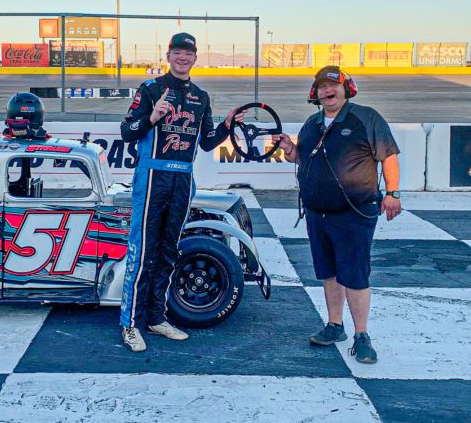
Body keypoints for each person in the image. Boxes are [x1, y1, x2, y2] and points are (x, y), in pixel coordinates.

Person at [119, 32, 245, 352]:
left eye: (188, 53)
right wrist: (152, 117)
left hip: (183, 180)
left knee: (168, 252)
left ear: (195, 58)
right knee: (142, 251)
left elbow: (206, 142)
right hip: (152, 177)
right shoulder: (150, 89)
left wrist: (228, 125)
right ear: (168, 55)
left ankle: (156, 318)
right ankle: (130, 324)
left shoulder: (201, 97)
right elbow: (126, 132)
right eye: (177, 52)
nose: (182, 58)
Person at [272, 65, 402, 364]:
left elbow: (389, 155)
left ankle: (361, 336)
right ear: (314, 94)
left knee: (354, 275)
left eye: (333, 85)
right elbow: (302, 157)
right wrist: (288, 148)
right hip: (319, 214)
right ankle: (335, 326)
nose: (327, 91)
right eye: (321, 87)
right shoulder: (312, 122)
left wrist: (393, 193)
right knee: (328, 273)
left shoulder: (366, 117)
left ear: (346, 88)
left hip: (354, 213)